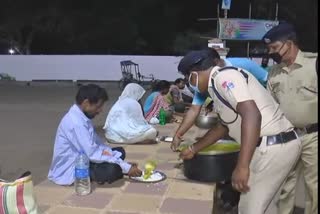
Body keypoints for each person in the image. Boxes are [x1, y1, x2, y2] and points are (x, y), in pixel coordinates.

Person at [174, 50, 301, 214]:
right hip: (273, 146)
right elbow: (223, 127)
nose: (190, 84)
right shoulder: (215, 86)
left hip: (271, 147)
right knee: (266, 208)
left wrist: (242, 166)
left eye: (188, 78)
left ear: (194, 75)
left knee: (249, 209)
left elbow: (252, 114)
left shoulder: (224, 78)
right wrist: (194, 149)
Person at [263, 22, 318, 214]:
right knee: (286, 185)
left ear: (290, 43)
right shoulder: (273, 73)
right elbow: (270, 108)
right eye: (269, 49)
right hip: (287, 137)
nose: (272, 53)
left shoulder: (314, 65)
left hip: (314, 136)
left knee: (315, 187)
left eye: (275, 48)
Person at [48, 84, 142, 186]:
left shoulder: (82, 117)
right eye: (98, 107)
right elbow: (93, 153)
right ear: (86, 103)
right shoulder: (76, 123)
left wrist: (117, 160)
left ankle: (115, 165)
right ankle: (107, 170)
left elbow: (97, 144)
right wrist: (125, 168)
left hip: (85, 156)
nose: (100, 111)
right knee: (112, 170)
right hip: (73, 167)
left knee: (119, 151)